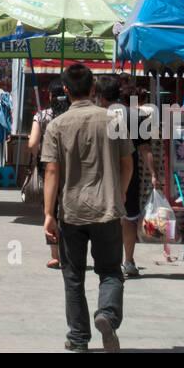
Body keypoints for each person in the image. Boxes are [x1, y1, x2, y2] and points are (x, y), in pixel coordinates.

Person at [41, 64, 132, 352]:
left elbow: (52, 172)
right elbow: (127, 164)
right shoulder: (113, 120)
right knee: (110, 272)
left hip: (72, 212)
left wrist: (47, 214)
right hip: (107, 209)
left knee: (73, 277)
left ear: (65, 91)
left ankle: (79, 339)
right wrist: (118, 195)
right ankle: (107, 314)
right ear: (93, 88)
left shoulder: (57, 125)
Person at [98, 76, 158, 278]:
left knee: (107, 218)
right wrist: (153, 173)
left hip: (103, 175)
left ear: (100, 96)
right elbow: (145, 148)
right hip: (129, 174)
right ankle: (129, 261)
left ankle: (108, 260)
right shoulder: (136, 117)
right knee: (129, 218)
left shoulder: (97, 117)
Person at [27, 79, 70, 268]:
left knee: (50, 210)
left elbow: (31, 143)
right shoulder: (73, 115)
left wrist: (38, 155)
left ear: (50, 96)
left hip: (48, 167)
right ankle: (71, 253)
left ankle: (55, 255)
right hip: (72, 168)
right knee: (70, 210)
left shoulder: (42, 116)